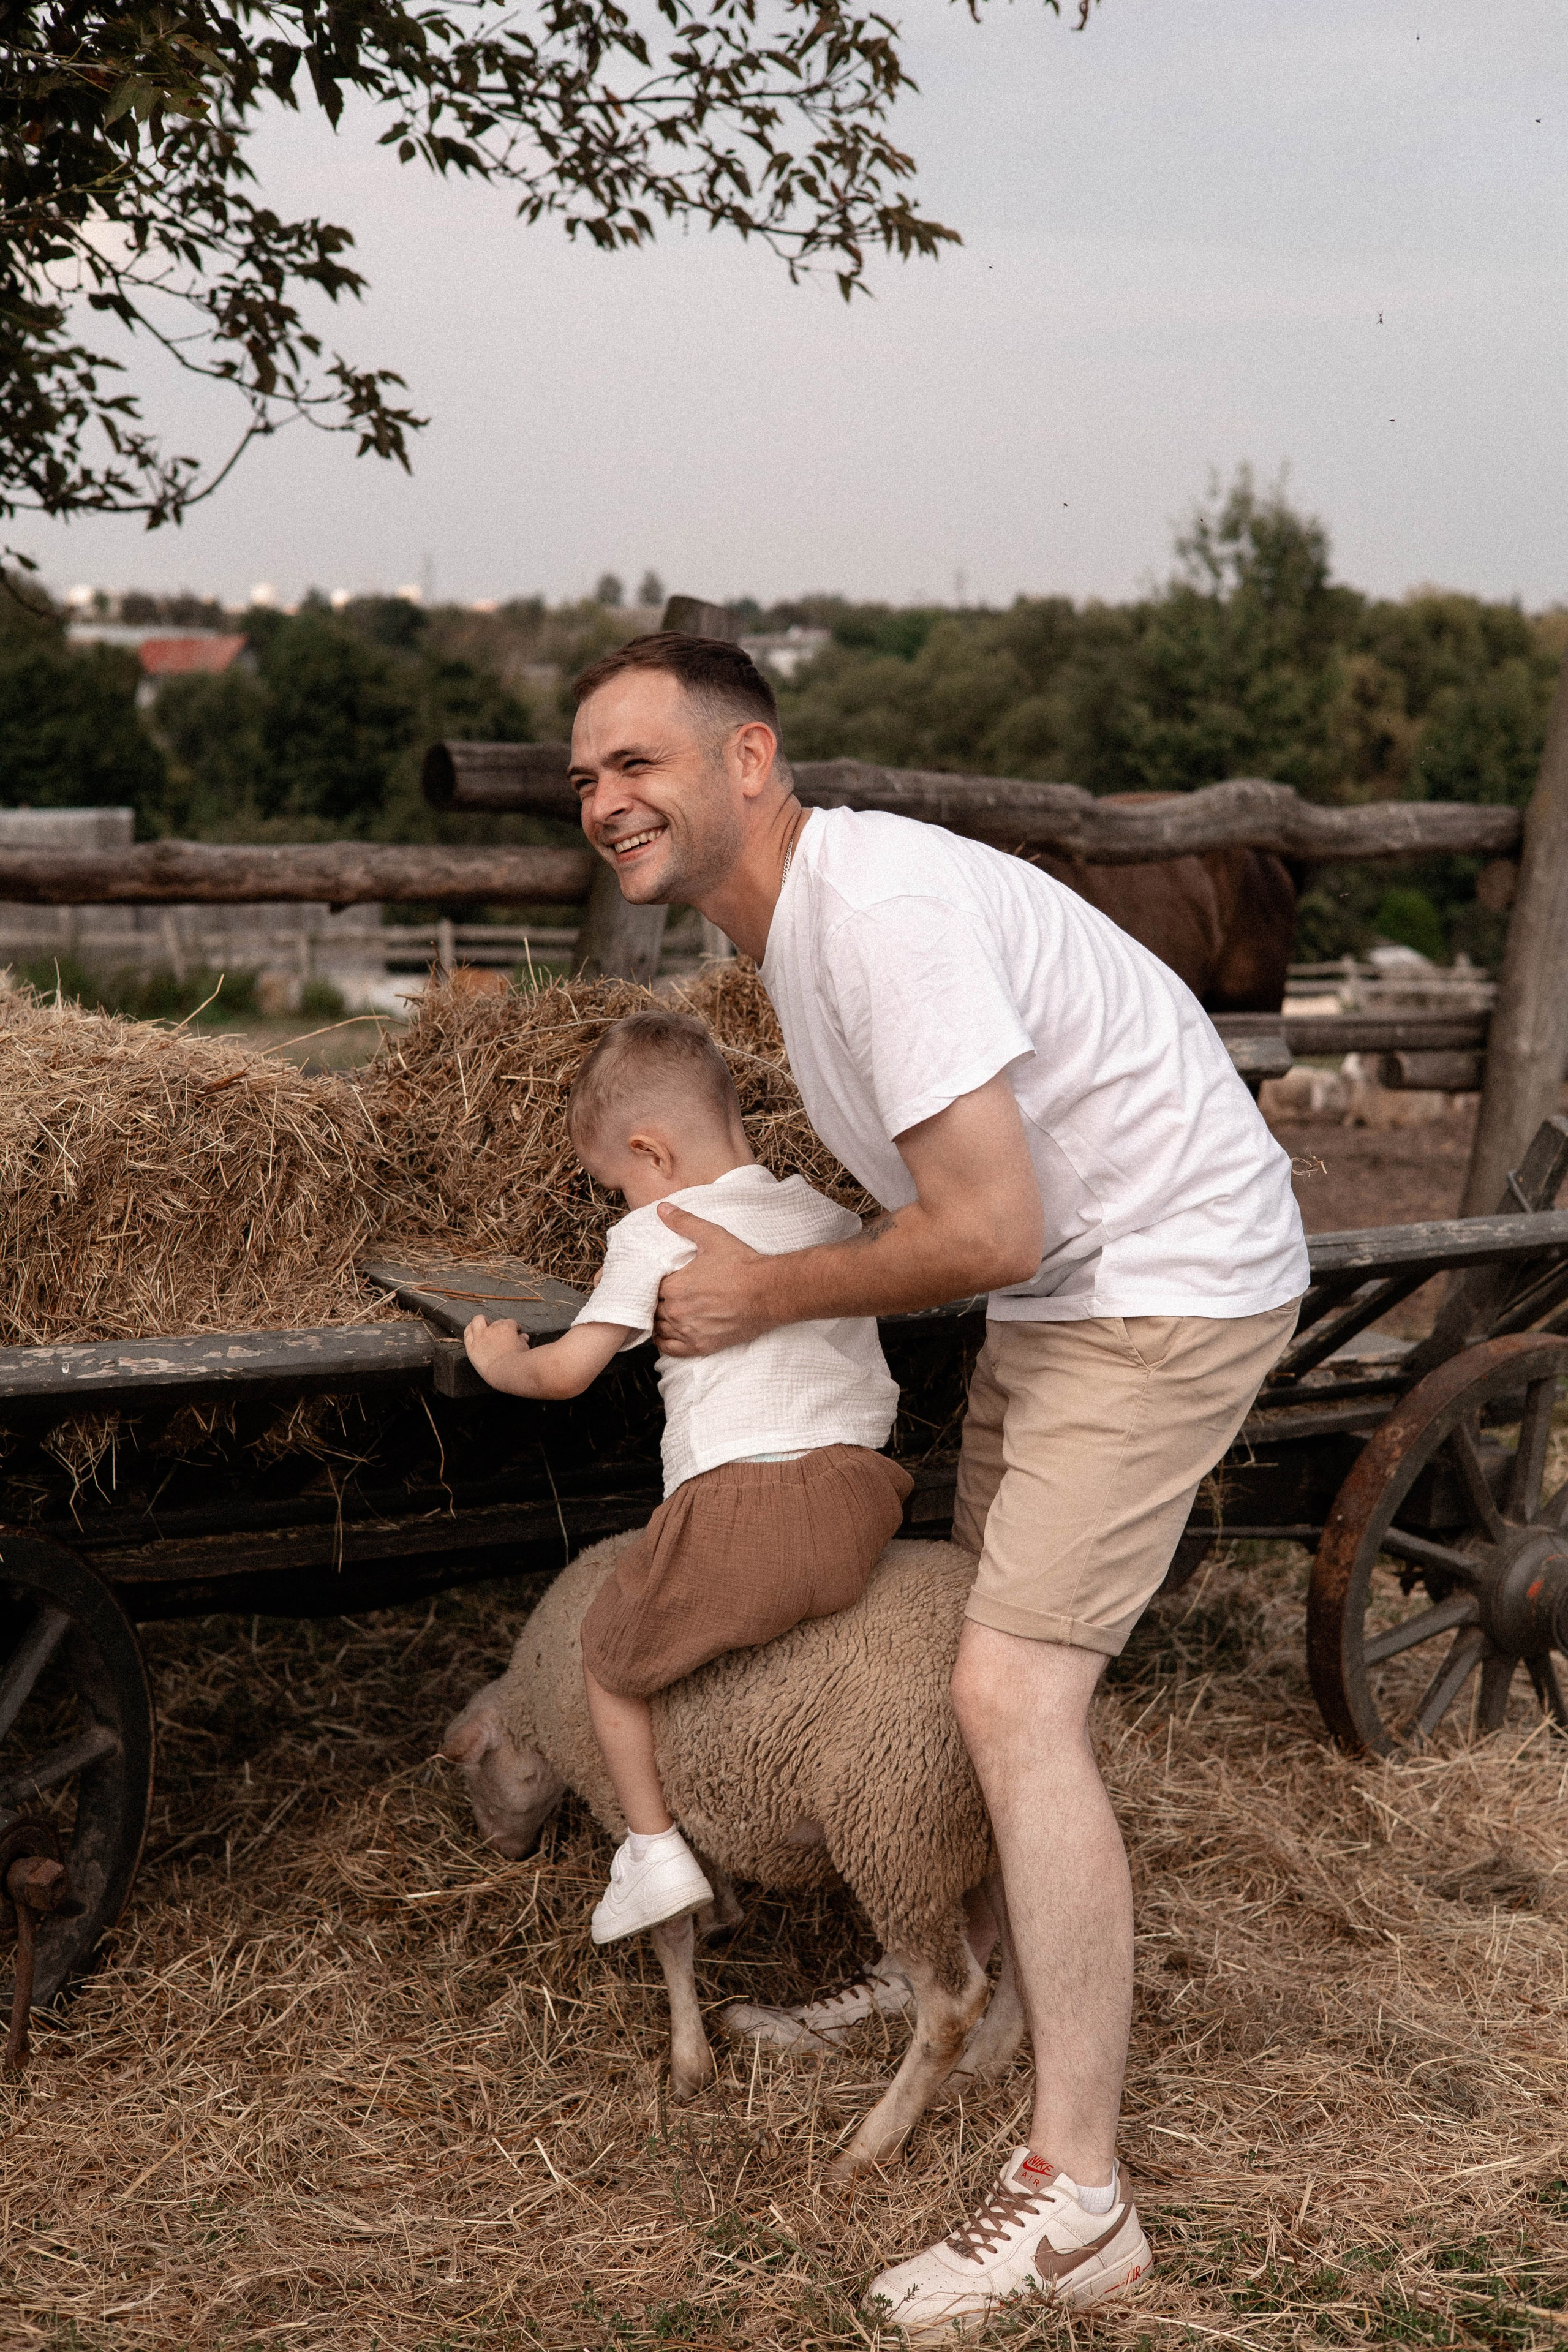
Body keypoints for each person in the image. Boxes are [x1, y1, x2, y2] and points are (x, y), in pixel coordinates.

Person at [564, 632, 1310, 2330]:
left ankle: (1079, 2200)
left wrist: (764, 1294)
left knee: (1011, 1692)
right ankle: (963, 1984)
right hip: (1073, 1286)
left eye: (639, 762)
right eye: (587, 777)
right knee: (975, 1646)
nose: (605, 801)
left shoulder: (876, 917)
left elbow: (985, 1227)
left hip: (1167, 1277)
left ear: (750, 759)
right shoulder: (795, 933)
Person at [462, 1007, 911, 1947]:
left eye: (615, 1185)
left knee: (608, 1660)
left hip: (744, 1512)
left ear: (651, 1154)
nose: (621, 1204)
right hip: (865, 1500)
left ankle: (654, 1852)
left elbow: (569, 1372)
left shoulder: (657, 1232)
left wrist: (503, 1362)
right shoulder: (824, 1214)